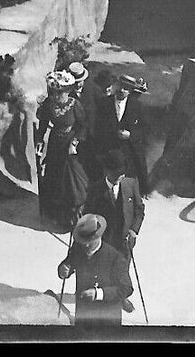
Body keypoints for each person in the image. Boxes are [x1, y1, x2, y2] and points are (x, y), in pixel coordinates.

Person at [35, 70, 90, 232]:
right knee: (55, 178)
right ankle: (58, 215)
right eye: (54, 92)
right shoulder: (48, 104)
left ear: (67, 91)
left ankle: (74, 215)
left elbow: (83, 126)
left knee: (72, 181)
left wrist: (75, 141)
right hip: (55, 144)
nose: (56, 96)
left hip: (70, 144)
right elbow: (43, 124)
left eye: (60, 92)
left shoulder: (75, 105)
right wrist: (39, 140)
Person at [57, 214, 134, 327]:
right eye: (83, 240)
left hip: (107, 319)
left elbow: (126, 288)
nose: (86, 244)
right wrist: (64, 270)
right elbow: (68, 263)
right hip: (83, 315)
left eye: (89, 240)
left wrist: (99, 293)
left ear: (99, 237)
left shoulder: (115, 258)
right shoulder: (78, 248)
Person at [82, 150, 145, 258]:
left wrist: (133, 230)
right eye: (116, 173)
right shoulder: (95, 189)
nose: (120, 177)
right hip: (104, 242)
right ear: (106, 171)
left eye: (122, 173)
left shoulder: (131, 184)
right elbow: (88, 215)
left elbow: (139, 210)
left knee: (122, 272)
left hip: (124, 242)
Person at [96, 74, 151, 194]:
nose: (122, 90)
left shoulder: (137, 106)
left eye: (126, 88)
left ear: (131, 91)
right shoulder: (103, 104)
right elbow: (97, 128)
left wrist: (131, 135)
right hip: (109, 150)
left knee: (127, 186)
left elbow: (145, 130)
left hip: (129, 153)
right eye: (120, 86)